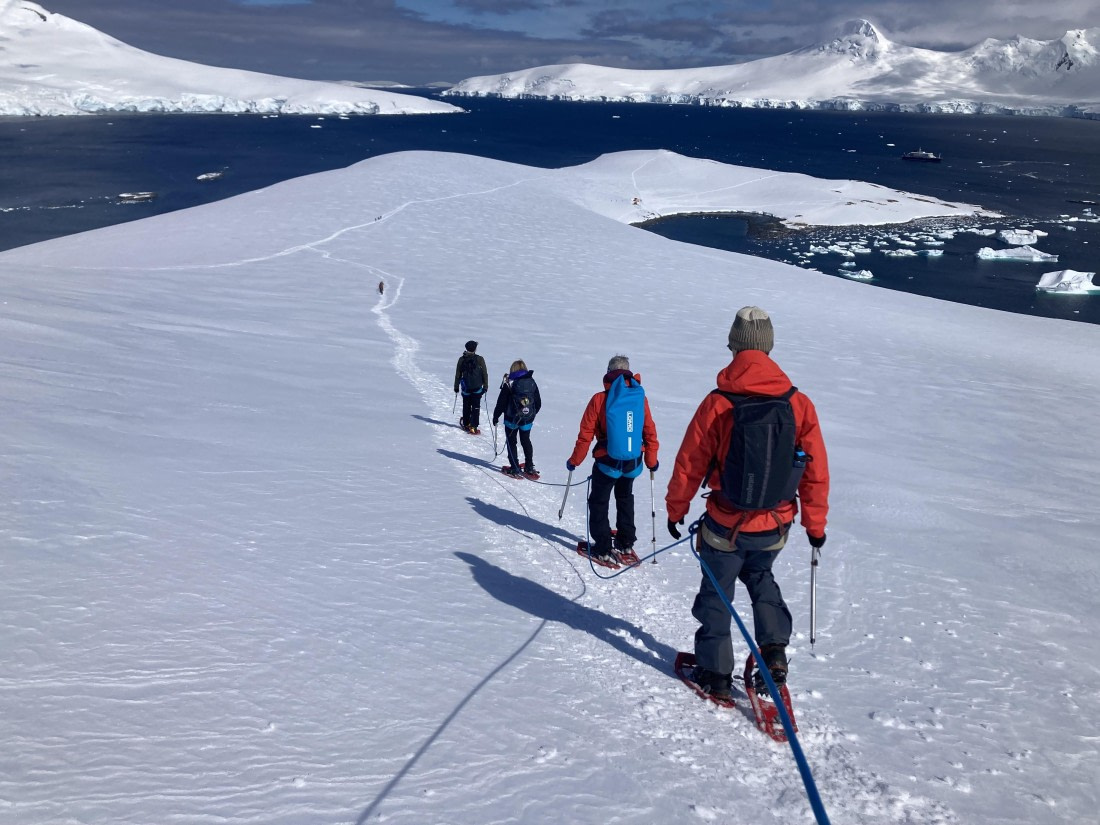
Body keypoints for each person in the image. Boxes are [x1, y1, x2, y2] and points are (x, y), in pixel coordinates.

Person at [665, 307, 829, 701]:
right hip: (775, 526)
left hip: (725, 525)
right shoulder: (798, 403)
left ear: (734, 346)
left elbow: (690, 463)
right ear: (768, 347)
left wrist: (676, 510)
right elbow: (815, 471)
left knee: (717, 594)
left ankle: (716, 674)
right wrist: (816, 526)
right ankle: (773, 652)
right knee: (760, 577)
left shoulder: (718, 403)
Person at [567, 355, 659, 565]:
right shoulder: (639, 398)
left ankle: (603, 548)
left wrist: (575, 461)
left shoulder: (599, 399)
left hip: (607, 462)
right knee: (625, 497)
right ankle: (626, 543)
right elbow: (649, 431)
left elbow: (585, 435)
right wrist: (651, 460)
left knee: (599, 501)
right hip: (633, 462)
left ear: (608, 373)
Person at [493, 360, 542, 477]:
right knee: (526, 440)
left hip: (511, 419)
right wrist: (530, 415)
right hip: (527, 419)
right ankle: (529, 466)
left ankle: (515, 468)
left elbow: (501, 403)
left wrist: (496, 416)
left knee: (511, 442)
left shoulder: (509, 383)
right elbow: (538, 402)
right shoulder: (531, 382)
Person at [454, 341, 489, 434]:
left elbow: (458, 375)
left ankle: (466, 424)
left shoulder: (461, 359)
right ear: (475, 349)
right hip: (477, 388)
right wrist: (485, 386)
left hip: (466, 388)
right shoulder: (480, 359)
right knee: (476, 407)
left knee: (466, 406)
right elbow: (485, 373)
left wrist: (456, 387)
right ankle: (474, 426)